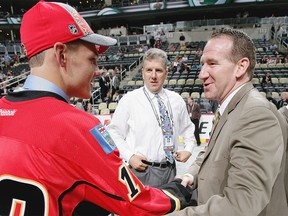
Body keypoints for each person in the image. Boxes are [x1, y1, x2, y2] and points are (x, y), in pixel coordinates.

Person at [0, 2, 194, 215]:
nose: (98, 70)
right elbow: (135, 202)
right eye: (92, 59)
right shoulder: (78, 126)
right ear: (61, 54)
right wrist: (179, 192)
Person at [168, 28, 288, 216]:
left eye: (212, 63)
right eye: (202, 65)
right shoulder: (232, 107)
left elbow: (241, 204)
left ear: (241, 67)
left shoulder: (255, 115)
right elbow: (212, 154)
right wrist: (191, 174)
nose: (201, 74)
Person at [107, 48, 196, 188]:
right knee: (139, 210)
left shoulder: (176, 100)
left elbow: (188, 128)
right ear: (142, 72)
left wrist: (189, 148)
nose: (153, 75)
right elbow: (113, 133)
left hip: (170, 170)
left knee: (168, 210)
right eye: (149, 70)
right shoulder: (129, 100)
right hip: (140, 170)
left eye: (158, 70)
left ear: (166, 73)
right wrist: (129, 156)